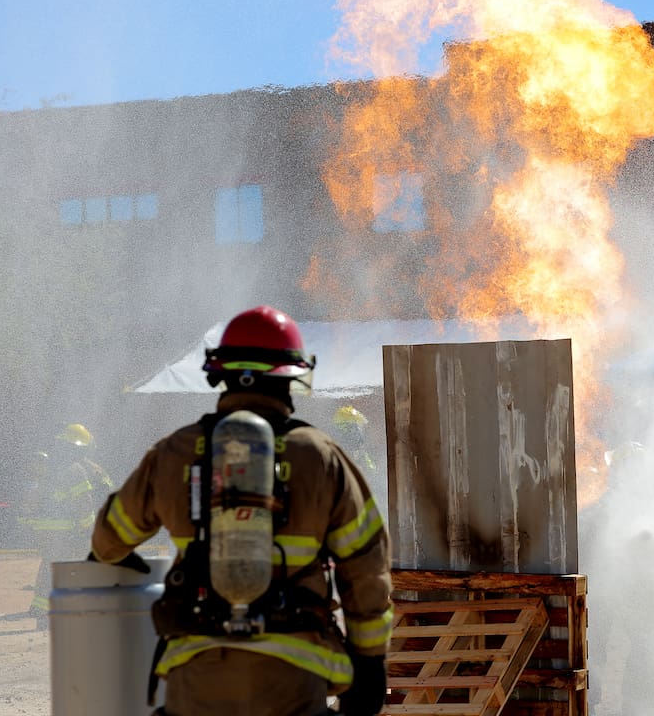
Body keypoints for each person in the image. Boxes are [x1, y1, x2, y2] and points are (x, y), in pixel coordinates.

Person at [90, 305, 393, 716]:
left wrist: (116, 554)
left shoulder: (175, 451)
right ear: (291, 377)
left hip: (196, 671)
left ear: (222, 373)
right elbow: (365, 565)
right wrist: (370, 662)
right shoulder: (320, 457)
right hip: (294, 673)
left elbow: (108, 539)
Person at [582, 441, 654, 716]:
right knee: (637, 648)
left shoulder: (611, 499)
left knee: (600, 648)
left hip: (621, 586)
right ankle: (636, 707)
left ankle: (593, 705)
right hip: (628, 587)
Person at [19, 431, 100, 628]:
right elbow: (84, 502)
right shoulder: (75, 469)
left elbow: (32, 500)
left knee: (49, 565)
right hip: (64, 530)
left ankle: (41, 609)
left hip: (43, 530)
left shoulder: (48, 467)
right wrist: (86, 526)